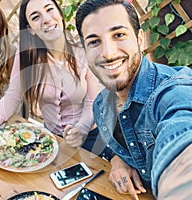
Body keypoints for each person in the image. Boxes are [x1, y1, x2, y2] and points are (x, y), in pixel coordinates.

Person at [0, 0, 111, 156]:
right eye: (35, 17)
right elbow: (13, 96)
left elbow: (93, 100)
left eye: (49, 10)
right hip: (53, 138)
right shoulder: (26, 56)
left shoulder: (84, 48)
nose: (46, 19)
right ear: (30, 29)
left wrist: (82, 128)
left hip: (91, 135)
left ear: (60, 14)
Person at [76, 0, 192, 199]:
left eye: (118, 35)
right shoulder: (101, 106)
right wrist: (116, 160)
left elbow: (182, 133)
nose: (108, 53)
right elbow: (119, 147)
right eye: (94, 41)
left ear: (139, 39)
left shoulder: (172, 91)